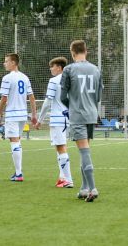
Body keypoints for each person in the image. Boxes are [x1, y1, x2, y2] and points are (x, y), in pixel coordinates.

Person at [60, 40, 103, 202]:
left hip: (78, 115)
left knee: (84, 151)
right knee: (85, 151)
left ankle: (92, 188)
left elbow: (63, 97)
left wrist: (72, 108)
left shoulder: (69, 69)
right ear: (86, 51)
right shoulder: (96, 69)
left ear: (72, 52)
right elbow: (98, 96)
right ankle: (84, 188)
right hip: (92, 114)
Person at [0, 53, 37, 182]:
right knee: (17, 140)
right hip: (22, 114)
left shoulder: (7, 78)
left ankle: (19, 173)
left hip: (12, 114)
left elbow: (4, 98)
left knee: (14, 141)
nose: (4, 63)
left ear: (13, 63)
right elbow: (31, 97)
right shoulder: (25, 77)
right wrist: (34, 114)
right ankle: (17, 171)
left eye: (6, 61)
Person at [35, 57, 73, 188]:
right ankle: (62, 177)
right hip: (67, 118)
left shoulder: (54, 81)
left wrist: (39, 120)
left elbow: (47, 102)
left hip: (57, 118)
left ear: (59, 67)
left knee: (61, 147)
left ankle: (68, 180)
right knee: (61, 146)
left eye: (52, 66)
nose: (50, 69)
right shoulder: (70, 80)